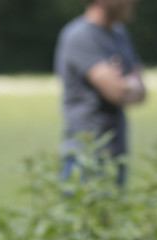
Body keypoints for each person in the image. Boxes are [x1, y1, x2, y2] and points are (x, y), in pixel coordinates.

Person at [54, 0, 146, 185]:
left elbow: (142, 92)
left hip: (116, 154)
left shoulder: (119, 33)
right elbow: (117, 93)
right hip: (84, 157)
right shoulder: (80, 36)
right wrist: (128, 84)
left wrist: (125, 84)